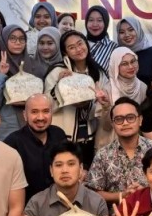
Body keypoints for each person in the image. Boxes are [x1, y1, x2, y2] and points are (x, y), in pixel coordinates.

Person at [46, 30, 110, 168]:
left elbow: (103, 107)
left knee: (86, 172)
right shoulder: (57, 71)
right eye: (72, 47)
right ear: (65, 52)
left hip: (90, 135)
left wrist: (95, 102)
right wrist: (60, 86)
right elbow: (47, 104)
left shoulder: (97, 72)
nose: (78, 49)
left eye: (80, 44)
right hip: (63, 136)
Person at [86, 97, 152, 204]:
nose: (125, 123)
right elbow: (93, 193)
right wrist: (121, 195)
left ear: (140, 120)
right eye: (119, 119)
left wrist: (147, 193)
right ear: (112, 124)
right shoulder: (103, 155)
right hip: (116, 212)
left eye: (130, 118)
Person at [0, 24, 48, 140]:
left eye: (21, 39)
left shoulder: (34, 65)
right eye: (13, 38)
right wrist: (1, 74)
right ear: (4, 41)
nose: (18, 42)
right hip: (6, 126)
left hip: (34, 124)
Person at [4, 94, 68, 202]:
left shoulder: (59, 134)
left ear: (51, 113)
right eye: (34, 112)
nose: (40, 117)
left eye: (46, 111)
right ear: (25, 115)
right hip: (27, 207)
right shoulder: (12, 143)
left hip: (60, 202)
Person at [116, 17, 152, 87]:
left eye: (131, 30)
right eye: (122, 32)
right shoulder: (116, 55)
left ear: (138, 30)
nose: (127, 35)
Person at [84, 5, 118, 72]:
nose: (95, 24)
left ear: (106, 22)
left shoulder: (114, 48)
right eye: (91, 20)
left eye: (99, 20)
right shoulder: (80, 45)